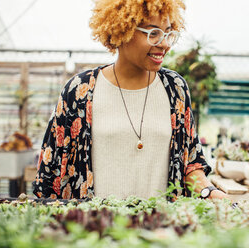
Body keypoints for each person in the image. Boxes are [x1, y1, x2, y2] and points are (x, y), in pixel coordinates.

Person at [32, 0, 229, 201]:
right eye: (153, 34)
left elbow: (191, 164)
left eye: (169, 34)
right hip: (94, 228)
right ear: (122, 30)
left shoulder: (175, 89)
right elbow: (51, 173)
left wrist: (208, 192)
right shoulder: (79, 91)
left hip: (162, 229)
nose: (164, 44)